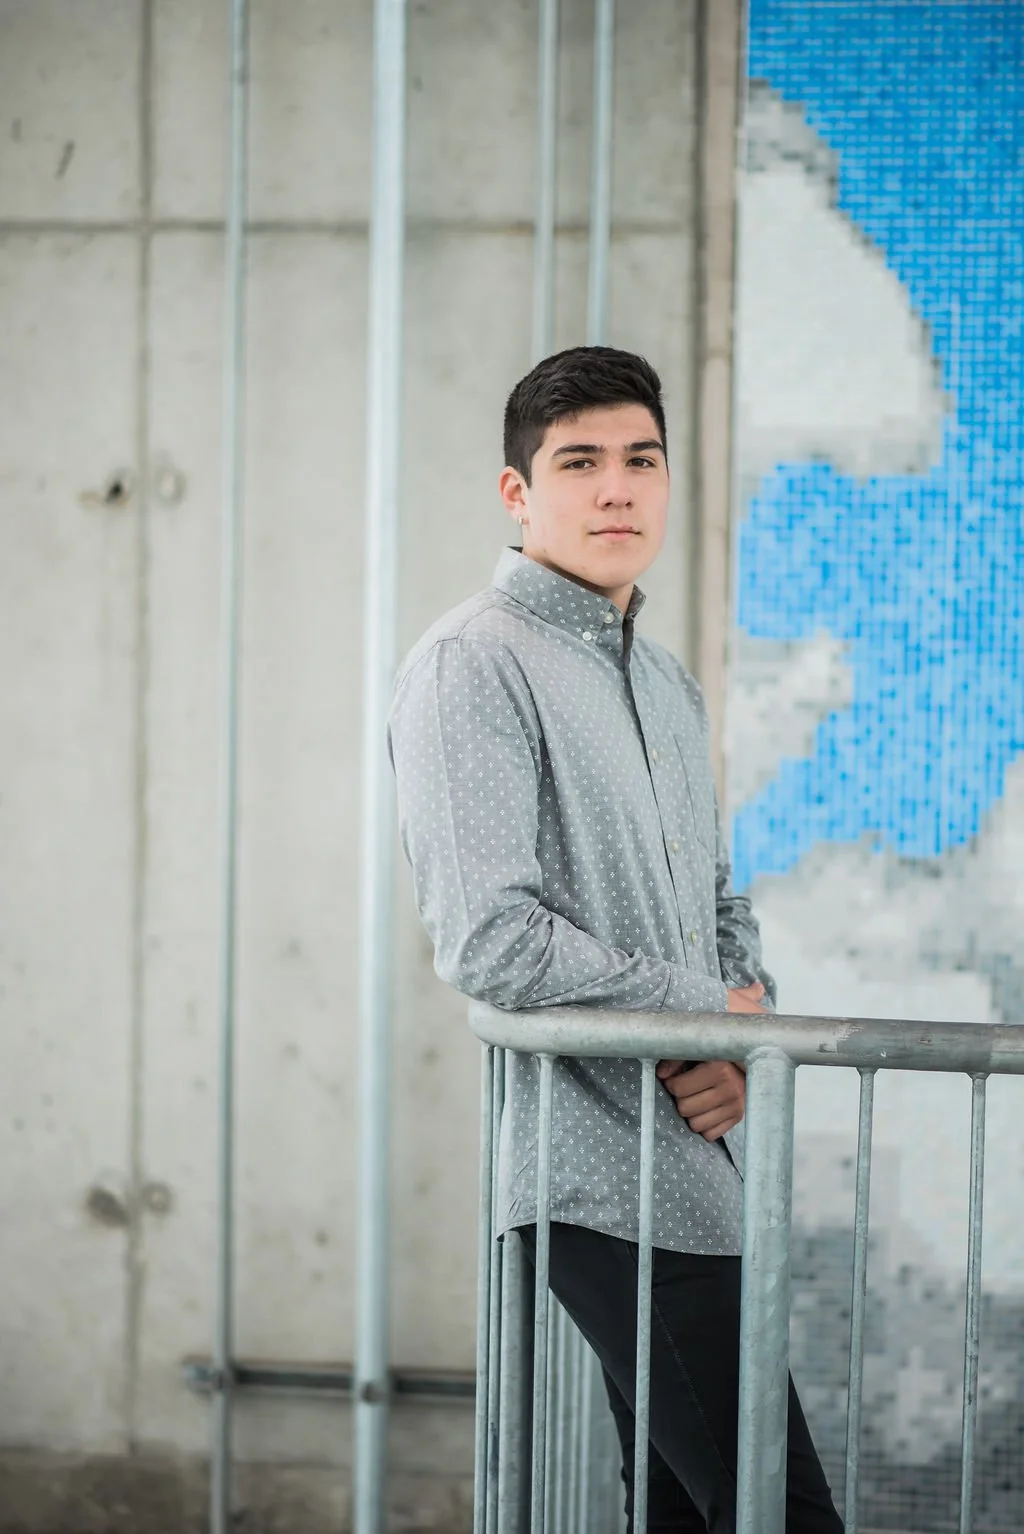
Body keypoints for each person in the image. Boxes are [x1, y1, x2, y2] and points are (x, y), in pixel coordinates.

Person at [387, 345, 843, 1532]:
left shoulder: (668, 683)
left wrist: (738, 1027)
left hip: (697, 1167)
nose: (616, 488)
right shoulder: (472, 663)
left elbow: (719, 904)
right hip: (597, 1176)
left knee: (683, 1512)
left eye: (641, 460)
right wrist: (698, 1014)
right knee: (780, 1509)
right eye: (579, 462)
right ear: (517, 492)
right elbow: (491, 939)